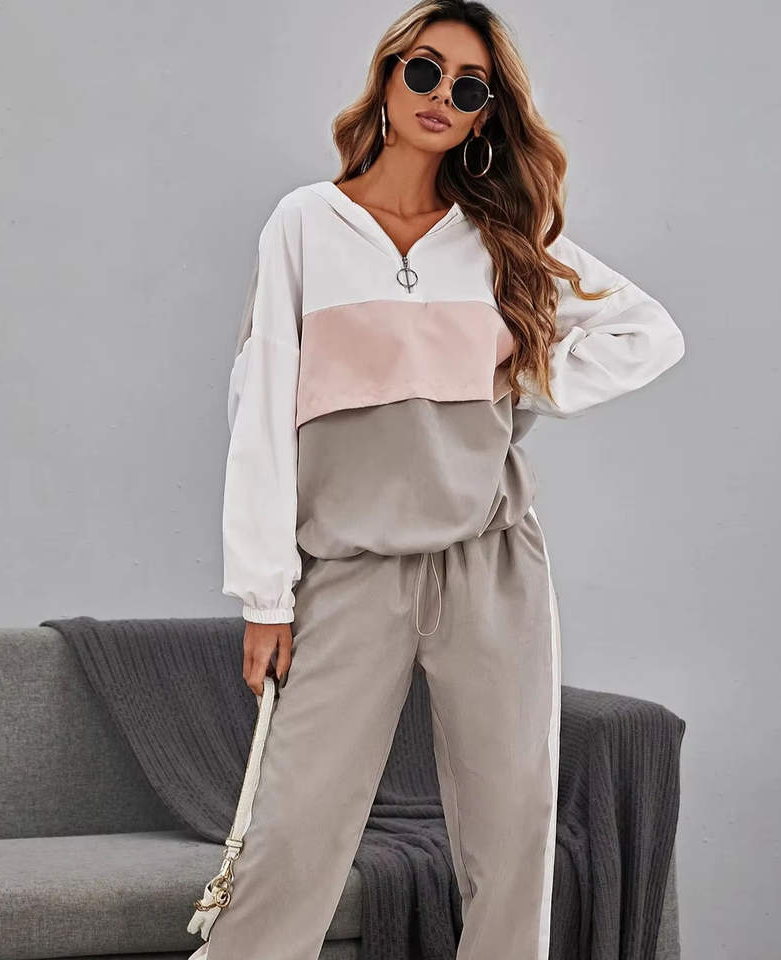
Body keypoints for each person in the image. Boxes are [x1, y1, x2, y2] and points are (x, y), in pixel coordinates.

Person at [209, 3, 684, 958]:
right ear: (388, 79)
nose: (441, 96)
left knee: (512, 840)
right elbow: (259, 412)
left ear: (483, 116)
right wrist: (266, 595)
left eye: (469, 88)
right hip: (352, 569)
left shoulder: (502, 236)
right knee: (295, 837)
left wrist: (519, 377)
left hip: (492, 564)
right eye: (424, 71)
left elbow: (649, 332)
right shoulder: (306, 225)